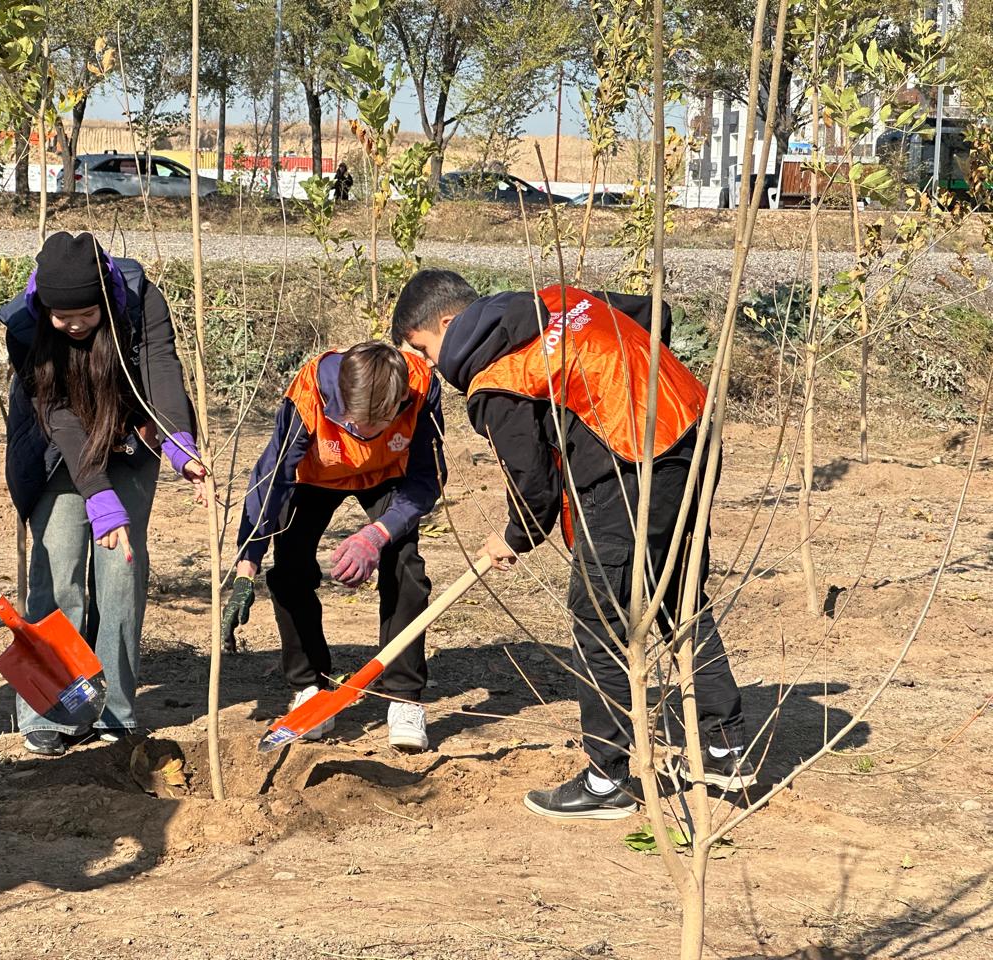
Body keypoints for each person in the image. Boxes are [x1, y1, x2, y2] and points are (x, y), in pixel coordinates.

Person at [390, 269, 754, 819]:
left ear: (447, 322)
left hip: (632, 462)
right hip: (690, 426)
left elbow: (533, 485)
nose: (430, 367)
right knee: (675, 597)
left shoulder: (499, 376)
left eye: (423, 349)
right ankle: (725, 751)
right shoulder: (555, 300)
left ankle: (608, 780)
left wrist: (515, 536)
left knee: (597, 616)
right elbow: (651, 314)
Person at [0, 231, 205, 757]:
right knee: (60, 568)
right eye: (60, 316)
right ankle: (54, 709)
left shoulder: (139, 300)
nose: (71, 325)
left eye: (84, 314)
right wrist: (95, 492)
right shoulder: (26, 324)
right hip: (56, 450)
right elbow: (59, 414)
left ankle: (113, 708)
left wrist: (179, 441)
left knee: (121, 571)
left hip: (131, 440)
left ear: (105, 300)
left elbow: (161, 371)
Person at [221, 342, 444, 752]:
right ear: (340, 401)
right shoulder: (307, 396)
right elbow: (271, 482)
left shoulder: (422, 386)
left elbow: (427, 479)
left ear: (400, 404)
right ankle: (310, 688)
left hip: (389, 476)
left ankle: (403, 696)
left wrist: (379, 532)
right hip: (315, 476)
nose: (362, 434)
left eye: (377, 426)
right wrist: (246, 565)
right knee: (290, 569)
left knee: (406, 565)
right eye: (355, 423)